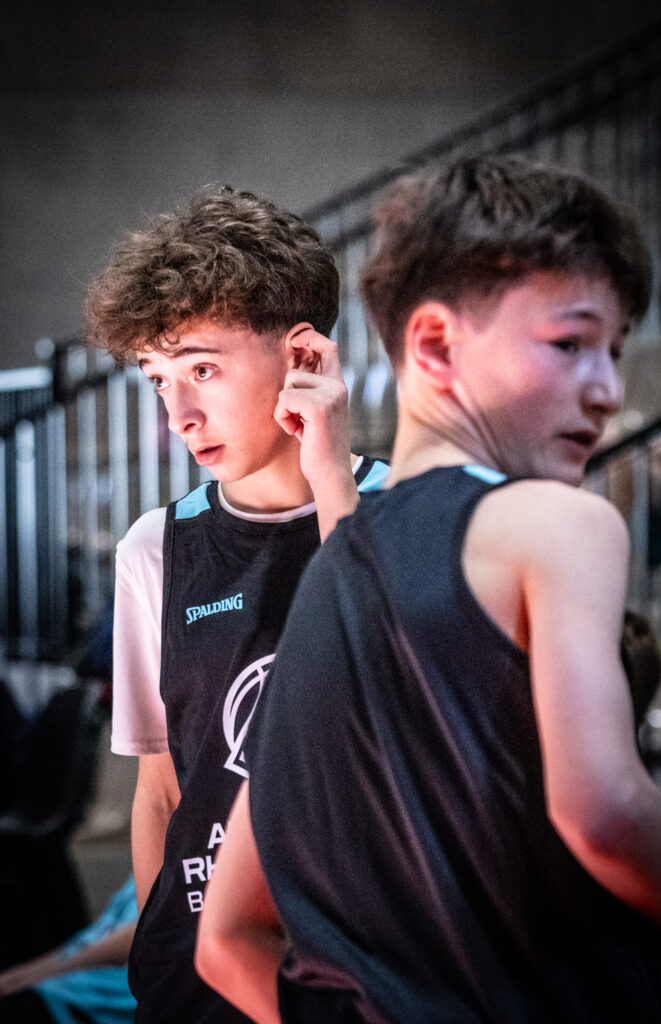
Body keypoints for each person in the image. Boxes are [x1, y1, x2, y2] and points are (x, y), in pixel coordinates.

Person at [196, 154, 661, 1023]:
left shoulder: (322, 584)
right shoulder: (556, 522)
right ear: (433, 344)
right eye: (570, 343)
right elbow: (605, 814)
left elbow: (226, 942)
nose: (608, 391)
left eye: (614, 351)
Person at [85, 184, 389, 1023]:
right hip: (200, 978)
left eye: (202, 369)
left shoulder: (408, 512)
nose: (179, 415)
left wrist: (330, 478)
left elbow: (391, 703)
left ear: (301, 356)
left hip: (364, 957)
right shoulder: (155, 547)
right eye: (157, 380)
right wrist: (162, 965)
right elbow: (160, 791)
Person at [0, 874, 137, 1024]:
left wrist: (20, 979)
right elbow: (82, 945)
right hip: (71, 988)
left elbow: (133, 939)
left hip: (89, 998)